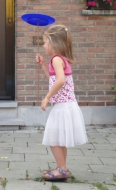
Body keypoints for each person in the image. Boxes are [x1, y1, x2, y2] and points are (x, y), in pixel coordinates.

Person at [36, 25, 88, 181]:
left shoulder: (57, 59)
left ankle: (62, 169)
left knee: (54, 138)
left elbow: (60, 81)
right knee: (60, 139)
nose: (44, 45)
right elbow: (53, 80)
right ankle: (62, 167)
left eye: (45, 42)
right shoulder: (58, 59)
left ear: (53, 43)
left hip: (63, 106)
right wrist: (44, 65)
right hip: (66, 105)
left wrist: (46, 97)